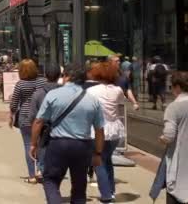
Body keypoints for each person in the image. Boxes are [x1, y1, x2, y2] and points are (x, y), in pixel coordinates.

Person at [30, 64, 105, 204]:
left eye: (63, 75)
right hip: (83, 146)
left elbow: (38, 122)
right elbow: (100, 130)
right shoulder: (93, 100)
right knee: (79, 187)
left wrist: (34, 144)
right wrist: (98, 153)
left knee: (51, 180)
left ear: (68, 77)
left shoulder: (53, 95)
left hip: (58, 144)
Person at [87, 61, 127, 203]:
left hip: (98, 130)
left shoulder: (92, 91)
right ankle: (111, 191)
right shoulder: (118, 90)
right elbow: (122, 103)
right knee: (107, 160)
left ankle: (106, 195)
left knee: (98, 162)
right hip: (115, 130)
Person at [10, 59, 46, 184]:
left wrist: (12, 114)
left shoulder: (21, 84)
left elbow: (14, 102)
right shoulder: (42, 81)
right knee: (41, 144)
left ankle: (31, 175)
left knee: (28, 145)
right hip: (41, 116)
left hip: (25, 117)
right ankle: (41, 170)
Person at [158, 71, 188, 204]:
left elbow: (169, 136)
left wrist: (162, 138)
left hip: (180, 159)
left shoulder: (174, 107)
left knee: (175, 191)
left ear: (177, 87)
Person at [28, 63, 62, 180]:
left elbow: (33, 117)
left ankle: (42, 170)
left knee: (43, 149)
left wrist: (33, 142)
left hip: (44, 130)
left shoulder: (38, 94)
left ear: (45, 75)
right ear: (60, 75)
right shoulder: (66, 93)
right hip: (63, 130)